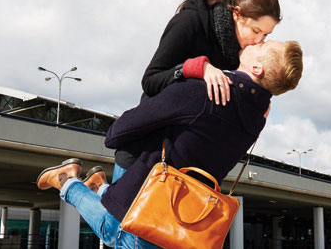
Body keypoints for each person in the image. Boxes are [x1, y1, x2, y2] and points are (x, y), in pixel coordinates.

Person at [37, 40, 303, 248]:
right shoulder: (257, 119)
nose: (256, 42)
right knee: (113, 230)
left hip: (150, 201)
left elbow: (116, 134)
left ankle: (68, 181)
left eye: (262, 46)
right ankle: (100, 187)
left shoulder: (202, 92)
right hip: (187, 218)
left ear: (257, 68)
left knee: (113, 232)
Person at [117, 0, 282, 175]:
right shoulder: (191, 22)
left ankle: (95, 185)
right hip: (147, 150)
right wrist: (197, 68)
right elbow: (150, 81)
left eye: (265, 35)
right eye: (256, 31)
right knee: (112, 206)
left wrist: (255, 101)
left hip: (186, 164)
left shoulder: (241, 53)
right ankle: (74, 183)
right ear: (237, 14)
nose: (258, 41)